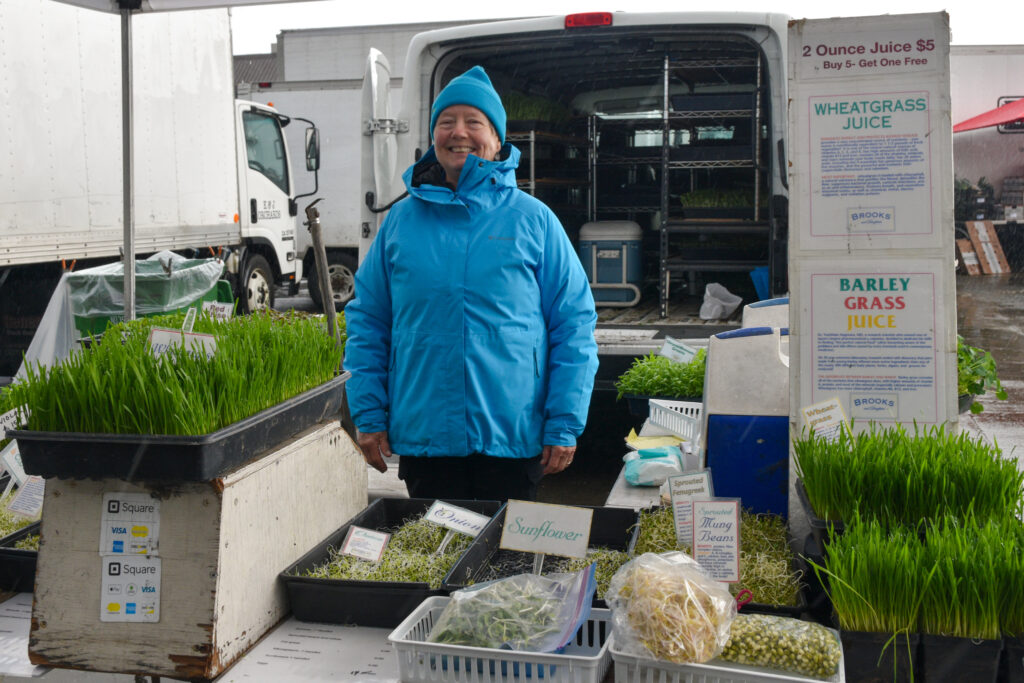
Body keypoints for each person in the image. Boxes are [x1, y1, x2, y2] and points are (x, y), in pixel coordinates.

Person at [344, 65, 599, 501]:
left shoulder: (533, 220)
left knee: (509, 565)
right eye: (447, 122)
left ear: (497, 140)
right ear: (433, 135)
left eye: (473, 122)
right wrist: (368, 413)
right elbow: (368, 321)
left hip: (512, 436)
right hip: (428, 437)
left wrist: (563, 421)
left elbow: (573, 326)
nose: (458, 132)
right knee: (433, 561)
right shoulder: (400, 223)